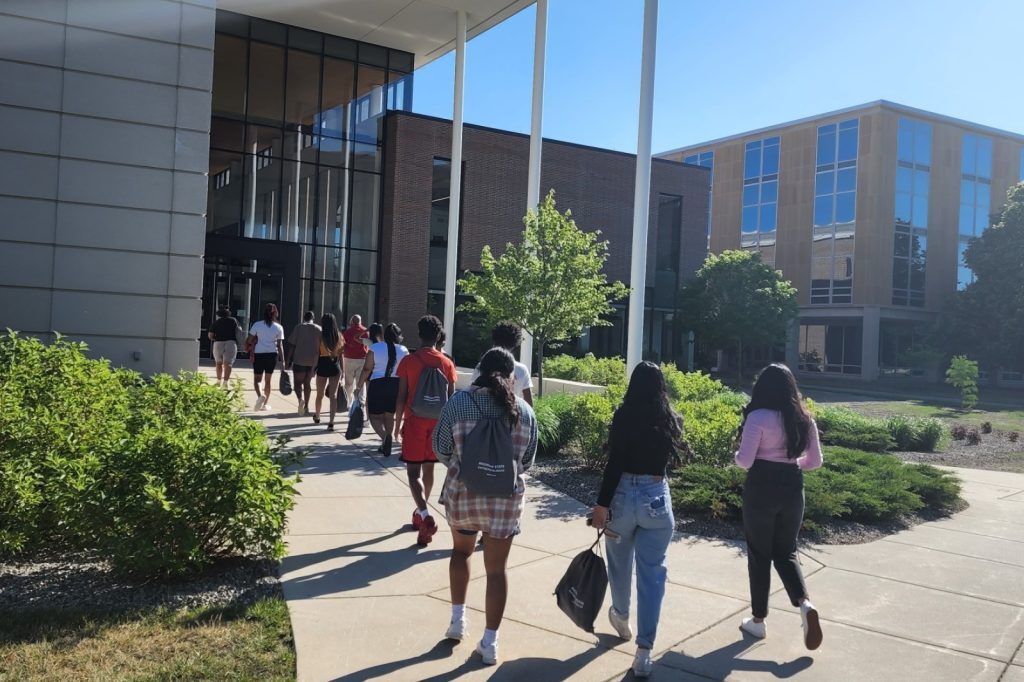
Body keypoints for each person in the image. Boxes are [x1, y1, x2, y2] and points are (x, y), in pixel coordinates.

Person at [433, 347, 537, 666]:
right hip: (504, 502)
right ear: (511, 376)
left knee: (461, 553)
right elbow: (528, 460)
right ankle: (490, 643)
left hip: (464, 495)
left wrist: (464, 467)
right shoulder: (524, 412)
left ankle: (456, 621)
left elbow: (440, 447)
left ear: (480, 370)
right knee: (496, 571)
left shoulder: (459, 403)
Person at [590, 362, 683, 679]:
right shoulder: (668, 419)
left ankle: (620, 614)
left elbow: (615, 463)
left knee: (619, 564)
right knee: (652, 576)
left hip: (623, 498)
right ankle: (644, 652)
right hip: (656, 498)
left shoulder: (623, 415)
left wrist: (601, 505)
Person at [734, 363, 823, 650]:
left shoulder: (758, 417)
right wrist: (792, 463)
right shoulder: (804, 420)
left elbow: (745, 461)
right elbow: (815, 462)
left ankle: (758, 621)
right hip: (792, 487)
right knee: (787, 551)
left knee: (759, 554)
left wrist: (736, 455)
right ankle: (805, 605)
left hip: (761, 486)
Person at [394, 315, 458, 547]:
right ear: (438, 336)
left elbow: (401, 396)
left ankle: (424, 515)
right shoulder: (447, 363)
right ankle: (420, 513)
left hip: (414, 421)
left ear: (419, 334)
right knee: (429, 468)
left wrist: (396, 423)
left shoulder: (409, 362)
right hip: (438, 423)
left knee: (413, 473)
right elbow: (451, 401)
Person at [359, 322, 408, 458]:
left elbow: (367, 368)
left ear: (384, 335)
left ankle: (385, 439)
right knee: (389, 415)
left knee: (374, 416)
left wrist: (359, 385)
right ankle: (387, 437)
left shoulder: (375, 348)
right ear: (398, 336)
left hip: (377, 384)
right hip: (395, 384)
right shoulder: (403, 350)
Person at [471, 321, 534, 405]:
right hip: (513, 414)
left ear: (494, 341)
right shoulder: (522, 369)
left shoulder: (482, 366)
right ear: (514, 344)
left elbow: (472, 392)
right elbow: (529, 402)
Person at [246, 303, 284, 411]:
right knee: (268, 380)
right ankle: (265, 404)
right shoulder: (278, 327)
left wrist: (252, 341)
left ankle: (260, 396)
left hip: (259, 354)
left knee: (257, 379)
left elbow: (249, 339)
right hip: (272, 355)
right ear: (275, 313)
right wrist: (283, 360)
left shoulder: (257, 325)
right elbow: (280, 345)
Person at [312, 313, 344, 430]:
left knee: (319, 394)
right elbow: (341, 356)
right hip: (335, 365)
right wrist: (343, 372)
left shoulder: (320, 336)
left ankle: (318, 416)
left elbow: (316, 353)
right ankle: (331, 421)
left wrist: (313, 369)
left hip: (323, 364)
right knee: (333, 395)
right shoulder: (339, 336)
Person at [286, 311, 321, 416]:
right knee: (307, 383)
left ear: (304, 317)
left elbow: (292, 344)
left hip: (299, 359)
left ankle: (300, 400)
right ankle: (306, 407)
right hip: (313, 361)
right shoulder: (319, 329)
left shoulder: (299, 327)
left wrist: (288, 359)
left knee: (297, 383)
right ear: (313, 318)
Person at [208, 306, 240, 387]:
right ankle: (225, 382)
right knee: (228, 364)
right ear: (228, 313)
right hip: (231, 343)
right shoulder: (233, 320)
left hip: (218, 343)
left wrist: (215, 338)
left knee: (218, 363)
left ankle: (218, 381)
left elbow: (210, 335)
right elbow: (239, 330)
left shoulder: (216, 322)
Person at [341, 314, 370, 406]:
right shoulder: (365, 331)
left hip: (348, 358)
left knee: (348, 382)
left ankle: (348, 402)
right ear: (360, 321)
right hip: (362, 359)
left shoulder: (347, 332)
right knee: (360, 382)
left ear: (351, 321)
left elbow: (343, 345)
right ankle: (361, 402)